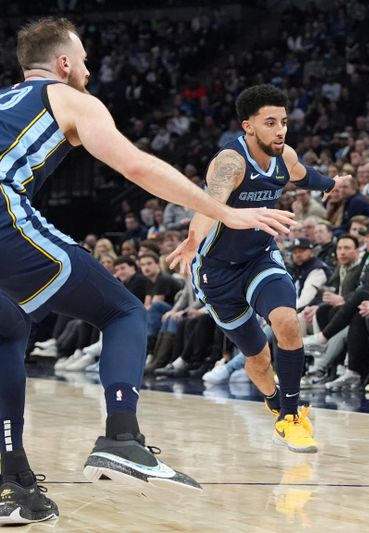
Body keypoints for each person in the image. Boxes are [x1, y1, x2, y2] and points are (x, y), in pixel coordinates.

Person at [0, 18, 295, 524]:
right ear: (64, 63)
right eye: (85, 61)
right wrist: (225, 211)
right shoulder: (68, 97)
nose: (89, 72)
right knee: (123, 312)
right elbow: (135, 166)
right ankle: (121, 437)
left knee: (8, 330)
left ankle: (12, 484)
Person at [168, 84, 348, 455]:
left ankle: (291, 415)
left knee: (287, 322)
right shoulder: (230, 163)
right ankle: (275, 401)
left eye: (283, 121)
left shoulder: (285, 156)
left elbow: (302, 175)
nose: (280, 129)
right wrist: (192, 238)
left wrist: (330, 184)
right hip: (216, 272)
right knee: (258, 358)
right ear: (248, 126)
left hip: (260, 259)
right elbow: (207, 205)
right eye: (270, 123)